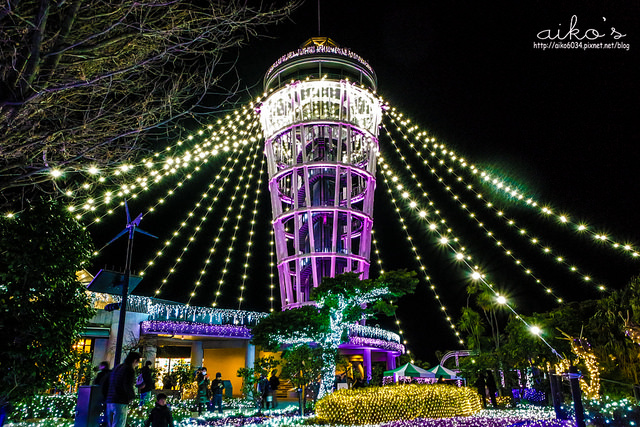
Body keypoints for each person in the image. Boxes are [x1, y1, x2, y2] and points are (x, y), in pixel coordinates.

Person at [106, 351, 141, 427]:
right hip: (120, 401)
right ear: (135, 360)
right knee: (118, 424)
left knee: (110, 424)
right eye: (137, 363)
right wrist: (132, 397)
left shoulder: (117, 367)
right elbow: (127, 385)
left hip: (110, 400)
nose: (137, 365)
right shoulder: (129, 370)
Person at [93, 362, 111, 427]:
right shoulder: (110, 373)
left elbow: (96, 383)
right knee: (106, 411)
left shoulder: (101, 374)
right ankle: (105, 423)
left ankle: (101, 423)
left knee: (99, 410)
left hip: (101, 394)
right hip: (109, 395)